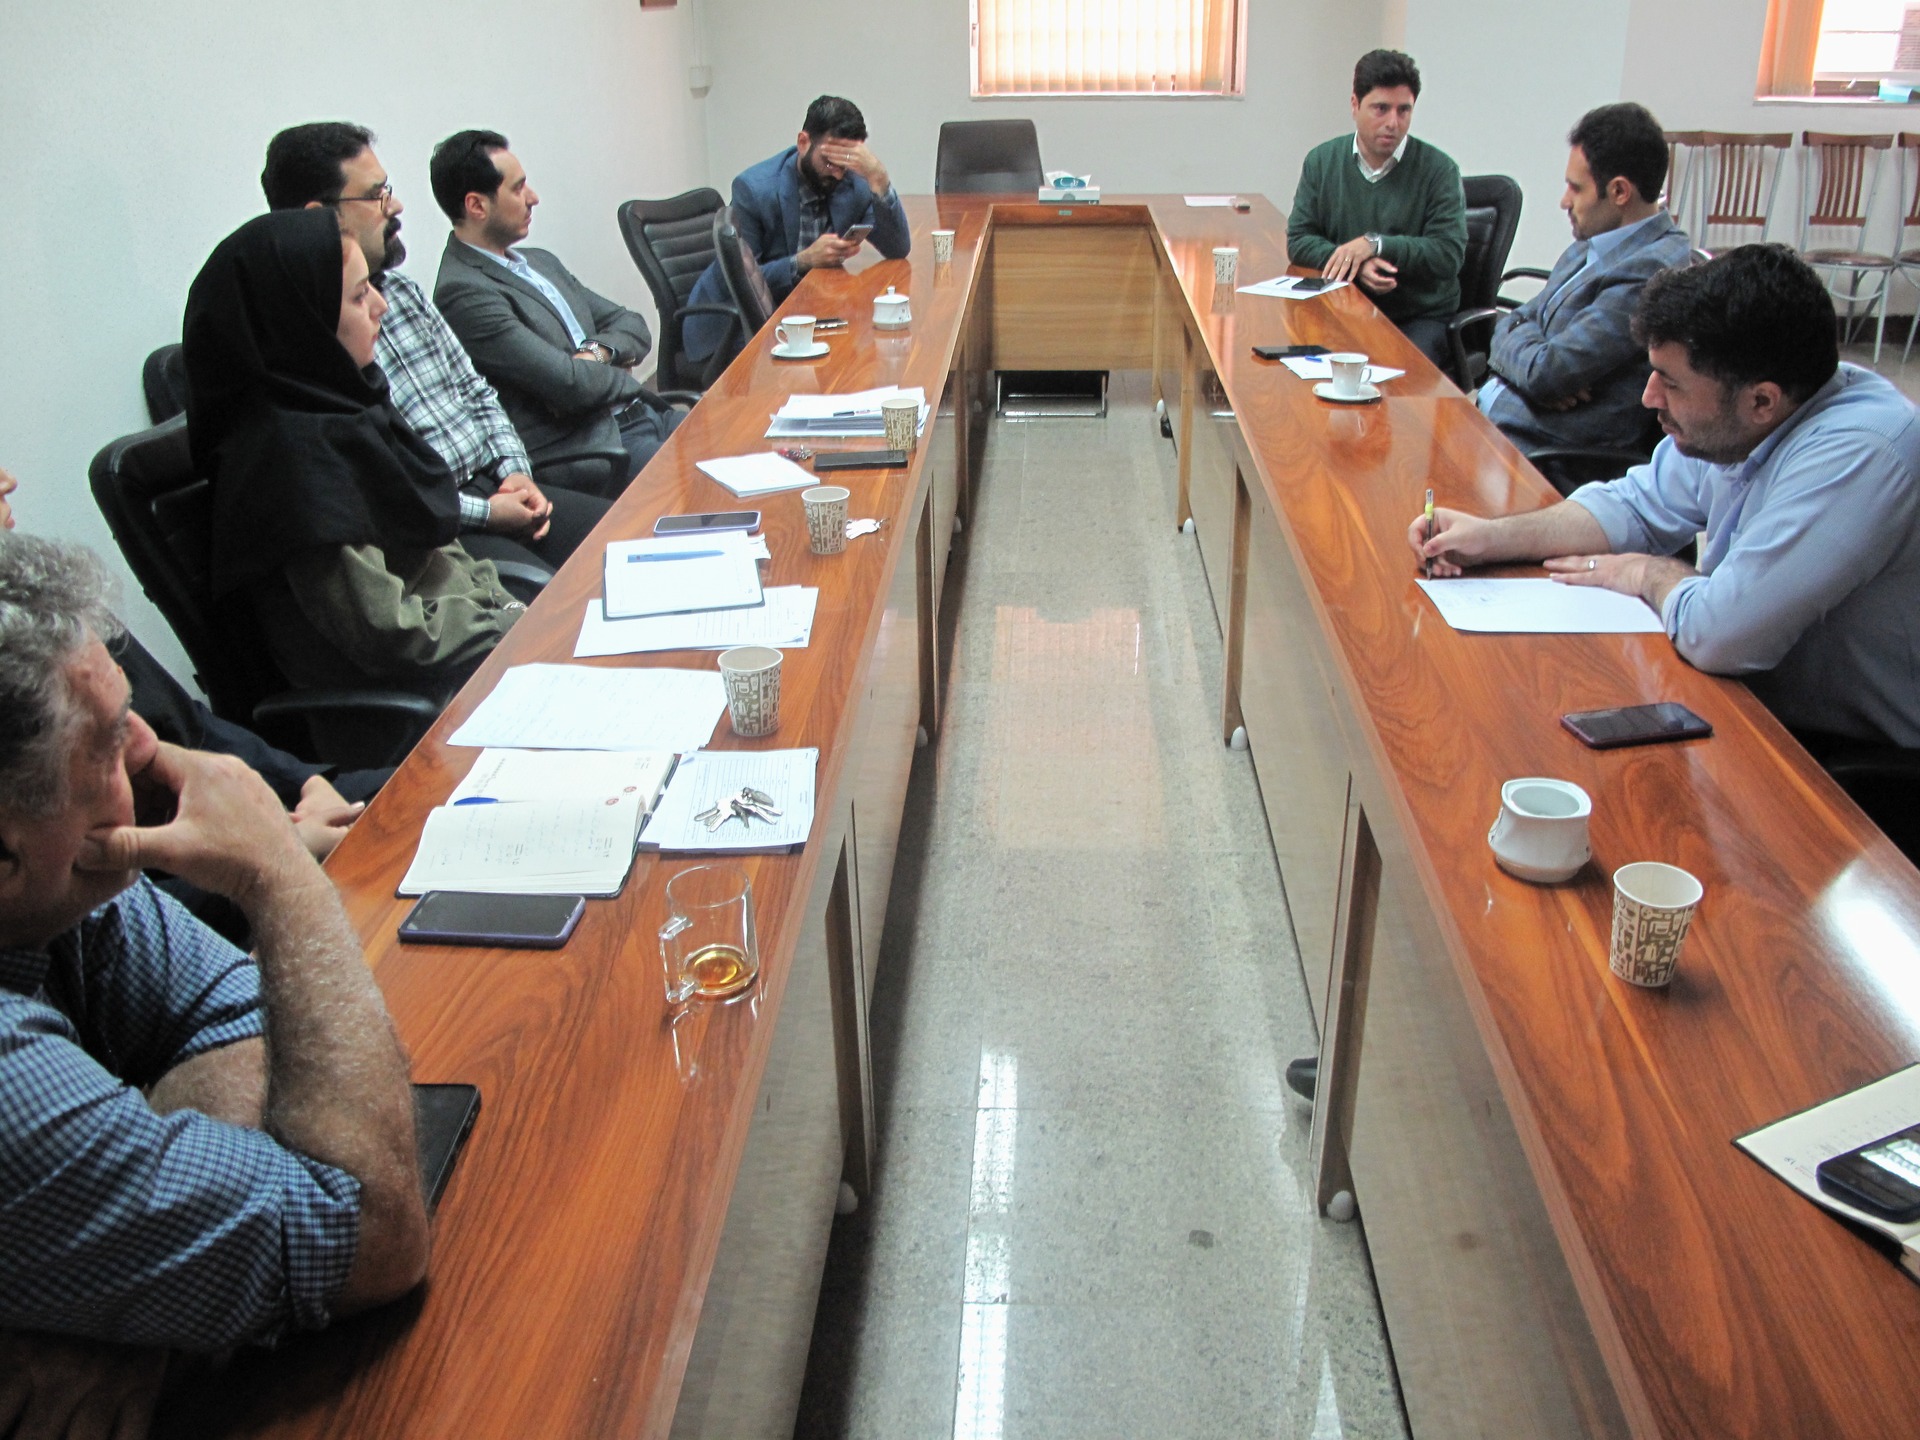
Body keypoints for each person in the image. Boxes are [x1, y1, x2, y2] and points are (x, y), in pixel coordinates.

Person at [0, 533, 427, 1431]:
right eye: (106, 743)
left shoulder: (63, 883)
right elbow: (370, 1230)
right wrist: (278, 873)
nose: (147, 747)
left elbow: (230, 1010)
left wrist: (130, 1296)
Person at [1417, 244, 1920, 750]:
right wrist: (1492, 538)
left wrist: (1647, 572)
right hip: (1751, 698)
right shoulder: (1741, 419)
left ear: (1761, 401)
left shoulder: (1863, 451)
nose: (1649, 396)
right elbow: (1635, 506)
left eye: (1672, 384)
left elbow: (1720, 634)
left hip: (1843, 755)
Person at [184, 208, 523, 757]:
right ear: (304, 320)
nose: (381, 306)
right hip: (420, 712)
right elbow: (389, 633)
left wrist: (505, 608)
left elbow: (434, 543)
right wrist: (503, 622)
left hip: (466, 657)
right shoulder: (293, 468)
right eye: (360, 296)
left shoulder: (344, 409)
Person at [0, 463, 385, 944]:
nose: (8, 480)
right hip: (200, 890)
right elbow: (111, 910)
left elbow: (193, 724)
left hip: (265, 821)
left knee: (435, 797)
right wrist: (270, 860)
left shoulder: (48, 604)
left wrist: (308, 783)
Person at [260, 123, 610, 568]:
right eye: (376, 195)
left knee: (629, 541)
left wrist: (515, 472)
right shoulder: (312, 335)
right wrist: (489, 513)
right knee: (560, 597)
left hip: (498, 485)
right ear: (321, 217)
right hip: (438, 530)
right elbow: (384, 485)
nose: (396, 206)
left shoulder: (402, 292)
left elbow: (476, 391)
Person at [431, 130, 679, 497]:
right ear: (477, 206)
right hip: (598, 446)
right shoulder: (464, 293)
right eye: (518, 189)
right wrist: (616, 369)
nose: (533, 198)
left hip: (644, 412)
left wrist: (594, 352)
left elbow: (632, 323)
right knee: (711, 483)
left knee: (745, 442)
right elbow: (569, 385)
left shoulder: (539, 261)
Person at [1477, 103, 1694, 455]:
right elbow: (1515, 322)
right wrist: (1532, 359)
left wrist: (1532, 363)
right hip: (1501, 420)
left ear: (1619, 192)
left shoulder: (1650, 271)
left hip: (1543, 452)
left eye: (1576, 189)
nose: (1564, 202)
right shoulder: (1593, 243)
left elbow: (1547, 374)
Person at [682, 94, 912, 368]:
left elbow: (897, 247)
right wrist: (802, 261)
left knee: (865, 355)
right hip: (733, 328)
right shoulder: (755, 189)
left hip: (805, 312)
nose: (838, 174)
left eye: (846, 164)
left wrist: (879, 178)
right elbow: (739, 279)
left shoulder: (852, 184)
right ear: (803, 143)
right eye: (829, 162)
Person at [1286, 49, 1467, 370]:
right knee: (1300, 366)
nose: (1392, 123)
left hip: (1418, 317)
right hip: (1344, 307)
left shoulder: (1440, 170)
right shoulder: (1321, 161)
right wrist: (1356, 263)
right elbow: (1299, 240)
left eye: (1403, 110)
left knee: (1395, 379)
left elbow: (1447, 254)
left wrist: (1376, 245)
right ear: (1355, 105)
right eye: (1381, 109)